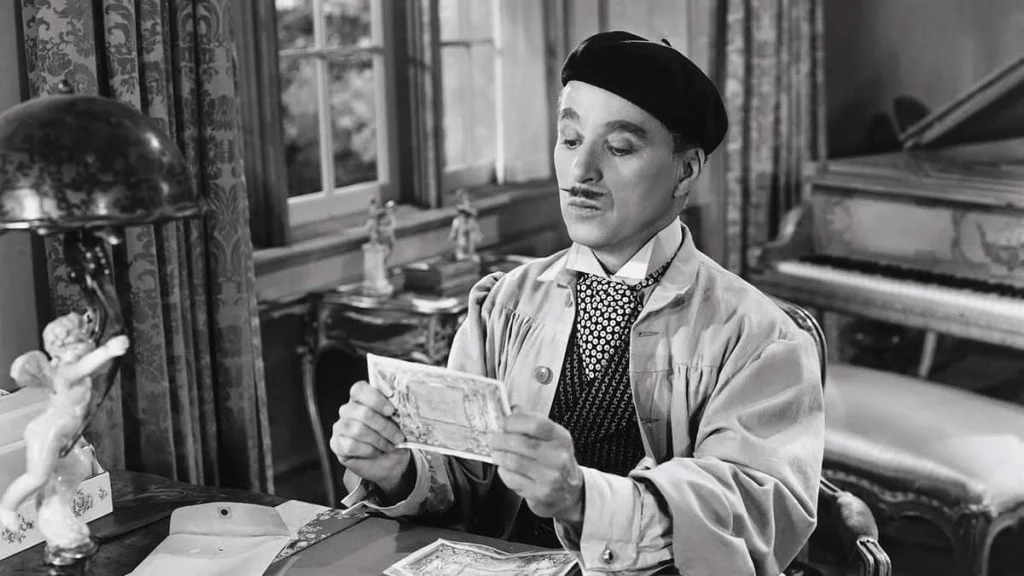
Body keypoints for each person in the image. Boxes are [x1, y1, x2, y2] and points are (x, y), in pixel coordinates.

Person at [330, 31, 824, 575]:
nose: (581, 171)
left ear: (685, 171)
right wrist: (399, 469)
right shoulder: (503, 305)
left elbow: (752, 515)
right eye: (569, 140)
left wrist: (582, 499)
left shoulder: (759, 338)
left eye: (619, 148)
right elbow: (465, 480)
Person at [0, 312, 129, 550]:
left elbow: (89, 362)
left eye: (84, 340)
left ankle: (56, 510)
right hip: (49, 432)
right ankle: (7, 507)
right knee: (37, 476)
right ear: (61, 349)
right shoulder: (65, 371)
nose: (85, 346)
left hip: (66, 435)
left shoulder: (73, 364)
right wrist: (108, 350)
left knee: (78, 467)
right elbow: (83, 366)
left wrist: (93, 322)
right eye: (78, 342)